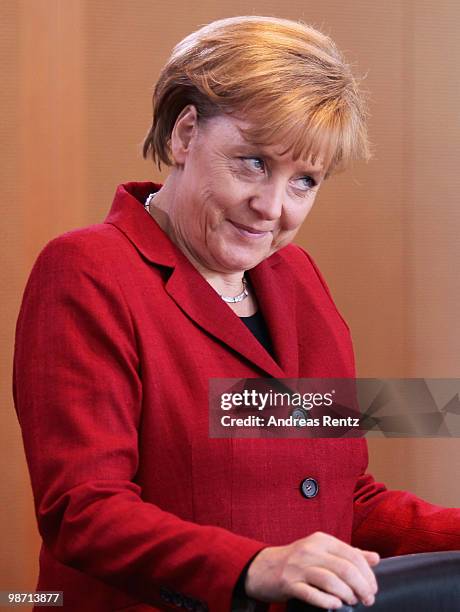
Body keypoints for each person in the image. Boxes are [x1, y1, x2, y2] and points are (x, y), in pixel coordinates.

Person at [13, 15, 460, 612]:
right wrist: (253, 564)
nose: (272, 207)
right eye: (253, 162)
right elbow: (84, 510)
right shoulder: (88, 269)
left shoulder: (297, 279)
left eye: (304, 181)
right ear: (185, 133)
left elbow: (338, 497)